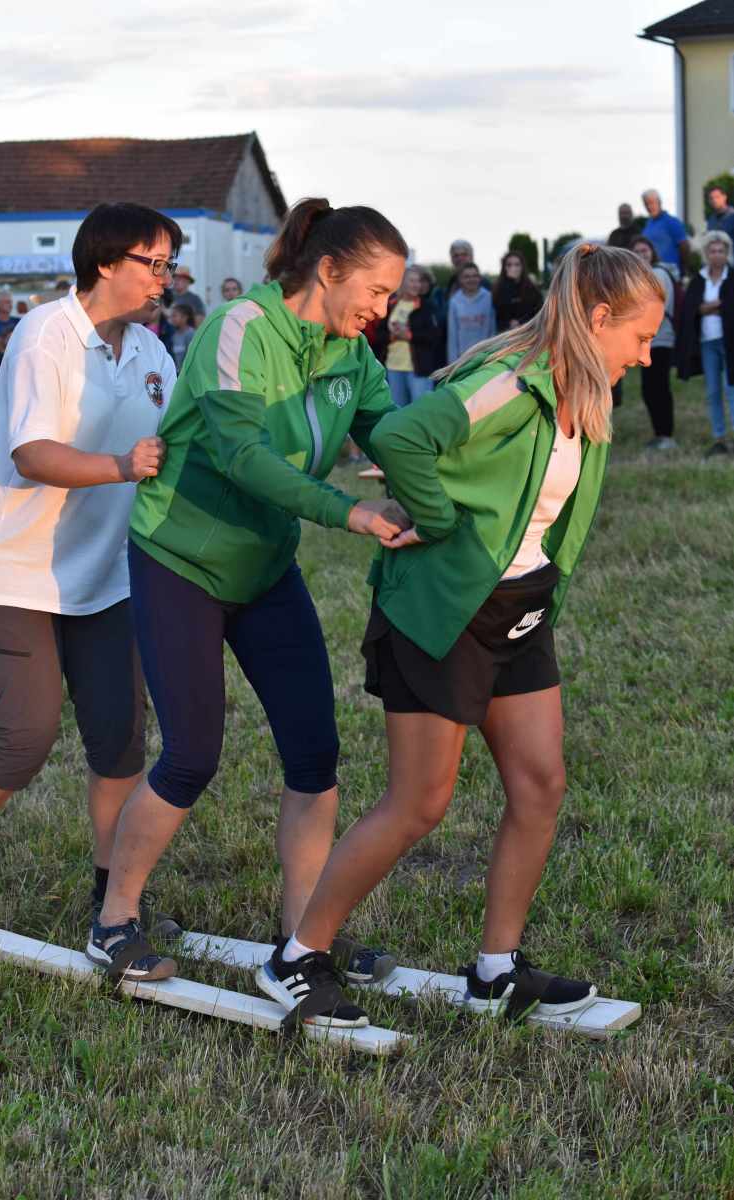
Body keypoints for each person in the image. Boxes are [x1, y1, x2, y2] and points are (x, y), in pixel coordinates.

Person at [255, 244, 665, 1025]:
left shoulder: (581, 391)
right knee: (418, 803)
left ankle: (494, 972)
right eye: (639, 337)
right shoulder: (507, 383)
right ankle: (296, 957)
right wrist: (439, 521)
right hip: (441, 612)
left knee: (540, 785)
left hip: (518, 606)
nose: (646, 355)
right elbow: (401, 436)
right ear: (597, 318)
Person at [91, 197, 411, 1008]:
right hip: (181, 562)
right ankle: (113, 918)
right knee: (191, 756)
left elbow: (398, 438)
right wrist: (348, 511)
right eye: (375, 291)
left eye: (390, 296)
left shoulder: (353, 355)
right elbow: (240, 454)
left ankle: (302, 940)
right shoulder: (241, 327)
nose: (382, 310)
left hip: (264, 568)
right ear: (328, 270)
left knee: (314, 755)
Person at [0, 202, 180, 946]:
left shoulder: (152, 352)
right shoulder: (46, 332)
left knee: (118, 739)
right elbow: (32, 453)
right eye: (153, 263)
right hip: (14, 573)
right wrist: (121, 466)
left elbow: (182, 441)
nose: (164, 279)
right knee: (25, 735)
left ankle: (113, 899)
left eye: (169, 265)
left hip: (107, 577)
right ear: (105, 262)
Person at [676, 230, 734, 456]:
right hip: (707, 343)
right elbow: (692, 308)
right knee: (713, 392)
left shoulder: (731, 277)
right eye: (713, 251)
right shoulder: (699, 280)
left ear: (727, 253)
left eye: (721, 251)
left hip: (729, 344)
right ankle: (719, 438)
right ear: (706, 253)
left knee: (731, 390)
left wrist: (710, 307)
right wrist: (716, 306)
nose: (717, 255)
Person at [373, 265, 445, 408]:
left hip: (419, 369)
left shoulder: (427, 306)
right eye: (412, 281)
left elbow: (434, 336)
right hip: (393, 367)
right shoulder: (391, 304)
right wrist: (393, 336)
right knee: (398, 411)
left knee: (421, 410)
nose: (416, 284)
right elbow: (379, 335)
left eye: (419, 281)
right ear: (402, 282)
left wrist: (409, 335)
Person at [630, 236, 677, 449]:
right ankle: (660, 434)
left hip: (660, 339)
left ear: (652, 252)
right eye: (637, 251)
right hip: (648, 341)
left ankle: (666, 436)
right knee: (650, 389)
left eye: (645, 250)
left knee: (657, 388)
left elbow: (655, 307)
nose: (641, 254)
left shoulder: (657, 274)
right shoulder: (641, 277)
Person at [447, 263, 496, 361]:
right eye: (467, 277)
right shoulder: (454, 301)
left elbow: (493, 330)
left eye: (475, 276)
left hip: (485, 356)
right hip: (463, 358)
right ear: (460, 280)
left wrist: (492, 356)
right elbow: (452, 335)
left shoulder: (489, 297)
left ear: (479, 278)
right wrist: (452, 362)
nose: (471, 279)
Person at [642, 190, 689, 277]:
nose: (649, 206)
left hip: (669, 272)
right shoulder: (648, 224)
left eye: (651, 203)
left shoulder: (672, 222)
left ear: (659, 202)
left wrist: (682, 269)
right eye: (646, 204)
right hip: (652, 272)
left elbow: (684, 246)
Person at [493, 251, 543, 332]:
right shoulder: (498, 289)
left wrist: (520, 322)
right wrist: (510, 283)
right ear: (504, 267)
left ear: (522, 267)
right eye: (509, 265)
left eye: (517, 265)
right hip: (506, 333)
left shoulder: (532, 288)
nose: (513, 268)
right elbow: (499, 314)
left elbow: (538, 311)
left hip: (528, 332)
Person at [167, 302, 196, 372]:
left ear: (185, 317)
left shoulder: (191, 334)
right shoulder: (173, 335)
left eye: (174, 316)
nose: (172, 319)